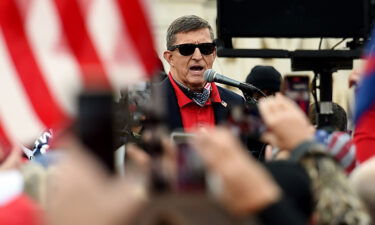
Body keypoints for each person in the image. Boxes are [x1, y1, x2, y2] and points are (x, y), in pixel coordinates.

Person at [159, 15, 244, 132]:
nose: (197, 57)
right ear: (170, 58)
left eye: (206, 48)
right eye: (187, 49)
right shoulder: (150, 104)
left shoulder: (235, 103)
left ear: (214, 54)